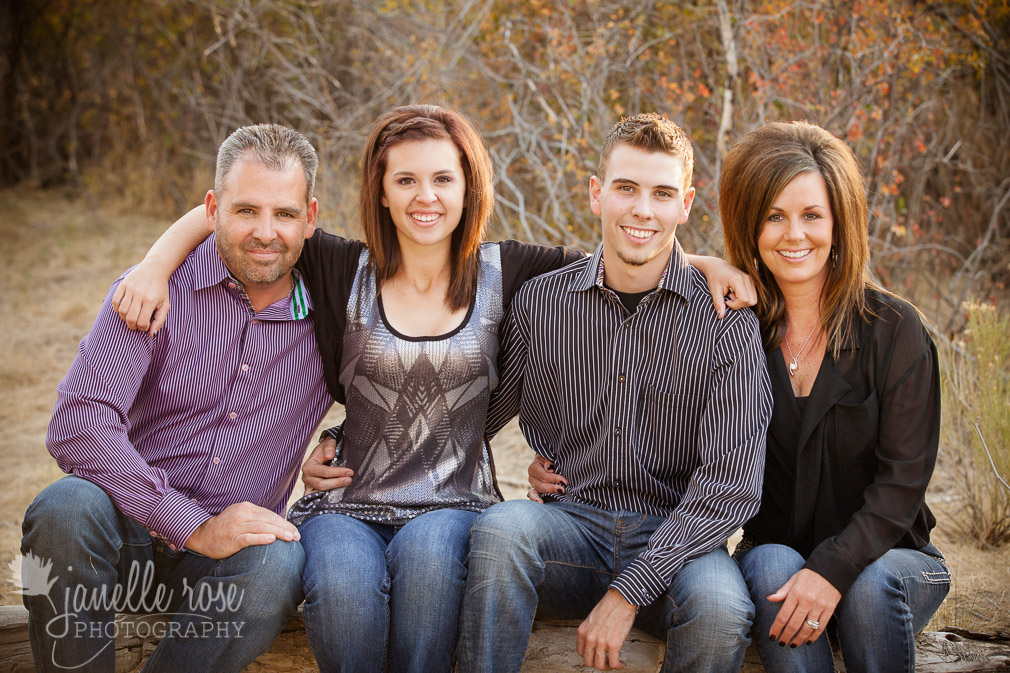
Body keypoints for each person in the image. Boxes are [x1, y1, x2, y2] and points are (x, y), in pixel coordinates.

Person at [113, 105, 753, 673]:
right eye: (406, 179)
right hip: (359, 501)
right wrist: (155, 264)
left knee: (430, 574)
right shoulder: (344, 266)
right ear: (382, 191)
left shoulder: (512, 272)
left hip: (461, 504)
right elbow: (243, 213)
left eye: (444, 178)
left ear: (468, 186)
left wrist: (704, 264)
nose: (426, 196)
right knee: (342, 590)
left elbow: (630, 248)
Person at [532, 120, 952, 672]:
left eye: (811, 216)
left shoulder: (894, 329)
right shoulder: (737, 323)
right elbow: (634, 264)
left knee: (871, 589)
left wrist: (830, 571)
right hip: (775, 555)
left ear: (841, 222)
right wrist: (701, 262)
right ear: (751, 226)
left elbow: (903, 485)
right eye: (774, 217)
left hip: (892, 557)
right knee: (774, 568)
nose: (793, 234)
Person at [456, 112, 773, 673]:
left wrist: (628, 593)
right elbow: (476, 414)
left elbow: (733, 484)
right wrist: (348, 440)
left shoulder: (726, 319)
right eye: (626, 188)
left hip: (677, 536)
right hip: (569, 526)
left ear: (686, 204)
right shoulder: (542, 303)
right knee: (502, 532)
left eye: (662, 193)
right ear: (597, 194)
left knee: (722, 609)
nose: (642, 210)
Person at [21, 124, 334, 673]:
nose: (265, 232)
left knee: (278, 562)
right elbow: (78, 425)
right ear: (212, 209)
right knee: (63, 508)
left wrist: (338, 439)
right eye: (245, 211)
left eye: (284, 214)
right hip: (124, 540)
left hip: (224, 572)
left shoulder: (332, 316)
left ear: (309, 218)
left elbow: (407, 382)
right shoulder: (153, 288)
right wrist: (190, 526)